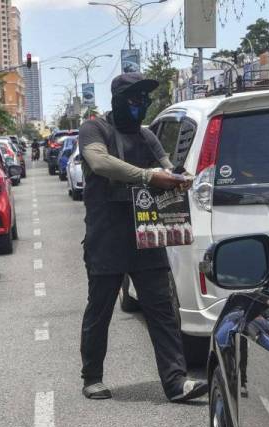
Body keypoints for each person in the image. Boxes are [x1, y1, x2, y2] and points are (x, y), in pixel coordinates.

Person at [79, 72, 208, 402]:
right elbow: (99, 162)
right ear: (119, 101)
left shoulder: (148, 136)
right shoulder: (95, 129)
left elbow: (168, 168)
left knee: (162, 311)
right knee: (100, 309)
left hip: (147, 233)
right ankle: (92, 376)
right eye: (135, 100)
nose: (141, 106)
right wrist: (149, 176)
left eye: (145, 100)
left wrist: (181, 178)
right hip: (106, 236)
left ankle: (176, 382)